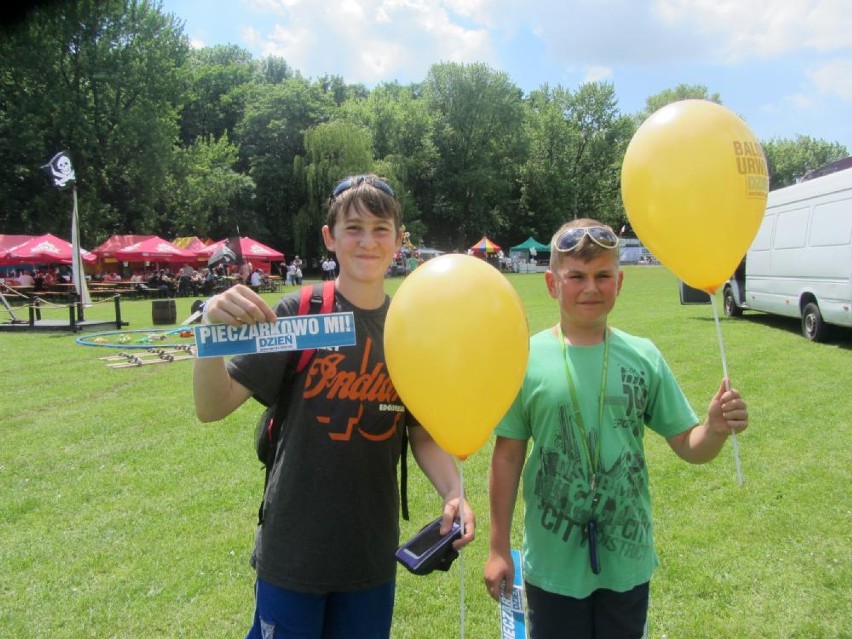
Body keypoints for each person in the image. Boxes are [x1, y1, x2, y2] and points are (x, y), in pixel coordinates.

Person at [193, 174, 475, 639]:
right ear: (330, 237)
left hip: (369, 556)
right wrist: (209, 334)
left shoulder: (411, 327)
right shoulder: (300, 311)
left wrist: (453, 492)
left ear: (399, 240)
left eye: (381, 229)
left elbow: (419, 430)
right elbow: (212, 405)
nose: (368, 241)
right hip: (293, 553)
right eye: (353, 228)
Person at [483, 218, 749, 639]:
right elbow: (508, 456)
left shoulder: (643, 357)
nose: (591, 287)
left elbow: (688, 444)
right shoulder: (526, 358)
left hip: (627, 559)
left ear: (620, 283)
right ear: (553, 284)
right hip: (552, 566)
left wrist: (714, 429)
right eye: (577, 277)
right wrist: (498, 548)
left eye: (603, 275)